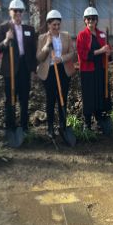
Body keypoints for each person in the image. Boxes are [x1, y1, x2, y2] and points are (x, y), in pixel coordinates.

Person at [0, 0, 37, 133]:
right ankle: (10, 126)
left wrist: (33, 69)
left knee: (24, 99)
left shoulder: (29, 29)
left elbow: (32, 51)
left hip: (24, 69)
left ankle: (24, 126)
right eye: (15, 11)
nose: (18, 13)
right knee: (10, 99)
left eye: (20, 11)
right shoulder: (4, 28)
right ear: (10, 12)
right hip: (10, 70)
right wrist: (7, 40)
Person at [36, 10, 76, 139]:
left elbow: (72, 53)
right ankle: (50, 127)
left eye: (58, 24)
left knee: (62, 99)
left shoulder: (66, 36)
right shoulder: (42, 38)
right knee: (50, 100)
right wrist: (47, 45)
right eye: (54, 25)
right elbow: (39, 57)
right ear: (48, 24)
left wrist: (62, 58)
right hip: (49, 72)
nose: (57, 27)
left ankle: (63, 126)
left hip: (63, 71)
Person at [76, 6, 112, 131]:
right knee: (89, 96)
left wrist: (108, 52)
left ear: (97, 20)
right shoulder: (81, 35)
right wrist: (100, 51)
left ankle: (100, 120)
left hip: (100, 70)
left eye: (93, 19)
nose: (91, 21)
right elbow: (83, 54)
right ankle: (87, 122)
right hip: (88, 71)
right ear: (85, 20)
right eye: (88, 19)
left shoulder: (102, 34)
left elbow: (108, 50)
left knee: (101, 95)